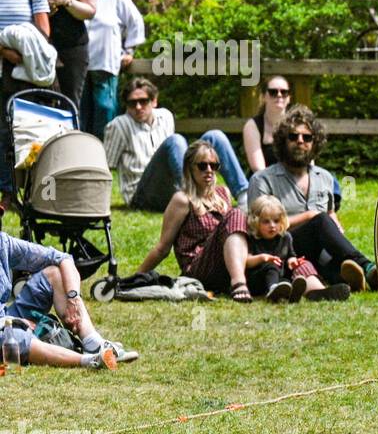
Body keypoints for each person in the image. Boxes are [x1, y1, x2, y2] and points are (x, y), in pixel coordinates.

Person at [246, 105, 377, 292]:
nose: (300, 141)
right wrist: (309, 217)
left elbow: (330, 213)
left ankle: (353, 280)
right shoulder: (262, 179)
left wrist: (335, 227)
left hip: (317, 250)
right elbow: (255, 227)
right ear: (282, 141)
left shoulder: (325, 178)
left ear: (315, 143)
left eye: (307, 137)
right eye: (293, 136)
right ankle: (366, 266)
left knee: (330, 257)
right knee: (319, 220)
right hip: (283, 249)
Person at [133, 140, 258, 302]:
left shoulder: (224, 194)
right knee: (236, 214)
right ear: (189, 168)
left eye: (214, 166)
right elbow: (162, 248)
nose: (209, 171)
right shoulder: (182, 200)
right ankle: (239, 283)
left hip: (224, 267)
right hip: (198, 269)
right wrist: (135, 279)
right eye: (202, 166)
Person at [103, 77, 249, 212]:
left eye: (143, 101)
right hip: (142, 195)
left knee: (215, 136)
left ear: (154, 101)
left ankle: (244, 196)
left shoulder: (165, 116)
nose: (138, 107)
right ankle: (194, 197)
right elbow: (105, 166)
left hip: (174, 188)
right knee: (175, 140)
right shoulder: (118, 126)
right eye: (132, 103)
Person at [0, 230, 138, 369]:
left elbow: (62, 258)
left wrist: (74, 298)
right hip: (3, 324)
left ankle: (93, 343)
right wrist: (14, 323)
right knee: (12, 337)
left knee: (55, 273)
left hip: (6, 316)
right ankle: (91, 360)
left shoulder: (4, 243)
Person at [0, 0, 52, 210]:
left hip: (23, 74)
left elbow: (43, 33)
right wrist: (3, 50)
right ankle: (7, 193)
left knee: (24, 130)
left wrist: (17, 51)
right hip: (3, 64)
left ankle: (32, 193)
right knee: (1, 133)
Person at [81, 0, 145, 140]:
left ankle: (106, 160)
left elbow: (136, 22)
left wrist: (129, 50)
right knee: (82, 115)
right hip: (80, 69)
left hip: (106, 66)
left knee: (105, 110)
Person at [245, 194, 348, 302]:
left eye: (276, 221)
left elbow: (291, 256)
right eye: (266, 222)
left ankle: (318, 291)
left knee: (303, 264)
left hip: (282, 276)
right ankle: (274, 291)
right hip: (258, 279)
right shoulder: (252, 239)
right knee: (272, 265)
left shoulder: (285, 238)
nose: (272, 225)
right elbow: (246, 261)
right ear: (255, 222)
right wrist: (262, 258)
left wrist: (293, 262)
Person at [242, 76, 292, 173]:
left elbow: (308, 164)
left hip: (294, 183)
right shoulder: (253, 126)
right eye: (273, 92)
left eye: (284, 92)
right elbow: (258, 170)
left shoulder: (298, 126)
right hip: (262, 183)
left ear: (289, 98)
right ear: (264, 97)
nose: (279, 95)